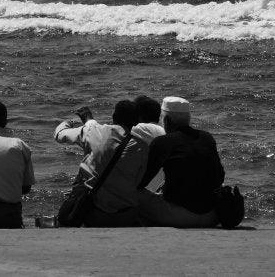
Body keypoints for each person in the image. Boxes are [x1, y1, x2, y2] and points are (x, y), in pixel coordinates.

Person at [54, 99, 148, 227]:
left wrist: (67, 123)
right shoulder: (142, 147)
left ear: (114, 117)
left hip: (94, 213)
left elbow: (59, 135)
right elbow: (139, 181)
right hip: (126, 215)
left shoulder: (93, 131)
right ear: (138, 122)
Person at [136, 96, 225, 227]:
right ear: (188, 119)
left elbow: (142, 181)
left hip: (179, 217)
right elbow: (220, 177)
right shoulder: (207, 138)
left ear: (166, 120)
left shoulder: (163, 142)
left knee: (131, 192)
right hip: (211, 216)